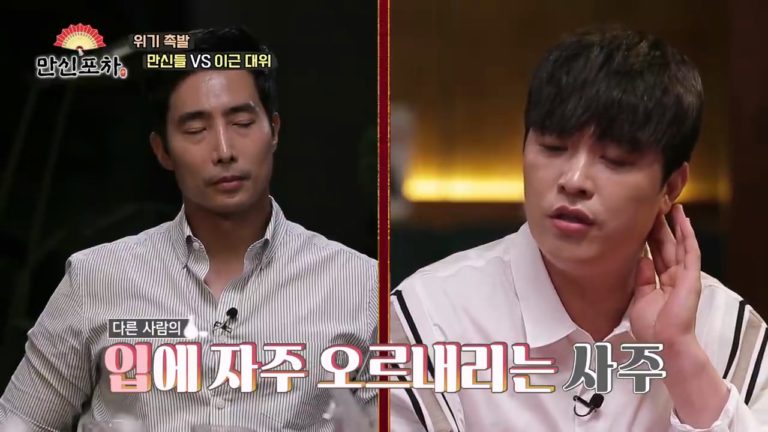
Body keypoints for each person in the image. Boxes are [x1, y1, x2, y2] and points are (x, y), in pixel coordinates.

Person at [389, 27, 768, 431]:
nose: (574, 180)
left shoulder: (728, 332)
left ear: (670, 187)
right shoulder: (429, 319)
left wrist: (681, 356)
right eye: (553, 147)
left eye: (615, 159)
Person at [0, 27, 378, 431]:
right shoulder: (96, 278)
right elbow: (21, 423)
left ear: (274, 131)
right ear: (162, 150)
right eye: (196, 130)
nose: (224, 150)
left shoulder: (360, 287)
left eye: (242, 122)